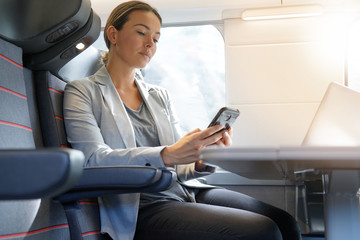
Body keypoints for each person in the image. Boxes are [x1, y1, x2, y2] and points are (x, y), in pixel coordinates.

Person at [63, 1, 302, 240]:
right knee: (263, 230)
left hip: (186, 192)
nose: (150, 44)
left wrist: (201, 157)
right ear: (113, 34)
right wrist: (166, 154)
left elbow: (179, 167)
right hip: (141, 207)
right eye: (141, 32)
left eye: (156, 39)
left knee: (285, 222)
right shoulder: (83, 91)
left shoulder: (159, 96)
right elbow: (93, 159)